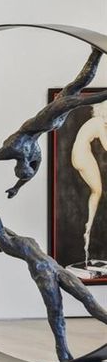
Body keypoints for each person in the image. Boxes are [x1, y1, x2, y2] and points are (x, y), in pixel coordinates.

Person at [0, 195, 107, 362]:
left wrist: (0, 225)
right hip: (43, 273)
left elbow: (5, 228)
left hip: (57, 268)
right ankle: (62, 351)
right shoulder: (4, 243)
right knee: (56, 311)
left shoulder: (19, 239)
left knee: (87, 298)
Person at [0, 49, 107, 198]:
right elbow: (29, 173)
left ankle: (96, 52)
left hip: (46, 120)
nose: (29, 166)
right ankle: (96, 53)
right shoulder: (32, 156)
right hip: (50, 123)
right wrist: (16, 188)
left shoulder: (11, 150)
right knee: (79, 84)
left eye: (26, 167)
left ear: (21, 166)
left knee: (81, 95)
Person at [71, 101, 107, 266]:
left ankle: (88, 226)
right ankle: (88, 228)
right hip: (82, 155)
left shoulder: (95, 122)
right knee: (97, 192)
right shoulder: (99, 123)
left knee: (96, 191)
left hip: (78, 155)